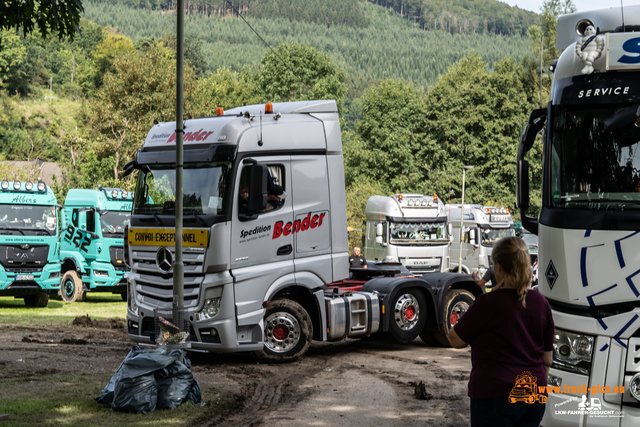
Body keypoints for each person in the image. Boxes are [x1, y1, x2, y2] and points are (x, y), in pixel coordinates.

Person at [448, 236, 554, 427]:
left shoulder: (488, 304)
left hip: (495, 396)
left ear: (497, 267)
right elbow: (547, 361)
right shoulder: (541, 303)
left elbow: (455, 339)